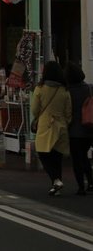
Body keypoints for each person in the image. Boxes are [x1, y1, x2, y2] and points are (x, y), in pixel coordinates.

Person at [32, 61, 72, 196]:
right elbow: (69, 112)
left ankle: (56, 180)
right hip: (61, 126)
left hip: (46, 125)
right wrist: (64, 122)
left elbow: (34, 109)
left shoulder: (40, 88)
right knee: (57, 156)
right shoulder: (64, 90)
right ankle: (56, 185)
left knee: (42, 152)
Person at [64, 62, 93, 195]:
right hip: (88, 128)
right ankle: (91, 183)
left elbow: (67, 112)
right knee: (85, 157)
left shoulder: (67, 91)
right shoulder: (88, 88)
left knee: (77, 160)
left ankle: (81, 186)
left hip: (74, 131)